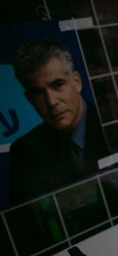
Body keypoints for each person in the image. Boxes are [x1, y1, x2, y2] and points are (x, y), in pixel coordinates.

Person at [9, 39, 110, 204]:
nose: (51, 101)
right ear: (29, 100)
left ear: (76, 82)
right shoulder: (24, 152)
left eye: (58, 85)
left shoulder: (117, 126)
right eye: (38, 93)